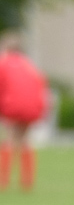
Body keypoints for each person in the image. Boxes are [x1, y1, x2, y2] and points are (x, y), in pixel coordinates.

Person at [0, 31, 48, 191]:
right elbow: (40, 86)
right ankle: (27, 182)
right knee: (25, 140)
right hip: (31, 108)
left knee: (10, 139)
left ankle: (3, 180)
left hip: (12, 107)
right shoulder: (30, 65)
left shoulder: (4, 64)